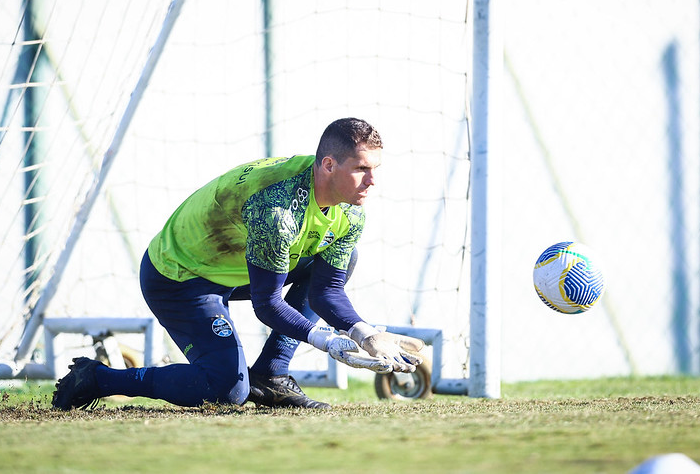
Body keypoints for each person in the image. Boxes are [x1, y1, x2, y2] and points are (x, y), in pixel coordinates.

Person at [52, 117, 424, 410]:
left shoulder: (350, 211)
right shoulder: (277, 210)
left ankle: (272, 375)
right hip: (181, 277)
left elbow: (326, 290)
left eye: (376, 168)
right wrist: (326, 340)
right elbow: (268, 304)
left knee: (341, 259)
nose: (373, 181)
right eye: (362, 168)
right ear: (328, 165)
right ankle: (97, 378)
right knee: (227, 388)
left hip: (239, 266)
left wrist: (364, 333)